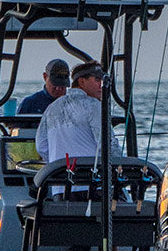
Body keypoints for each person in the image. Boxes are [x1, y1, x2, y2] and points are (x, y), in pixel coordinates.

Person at [36, 60, 122, 198]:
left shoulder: (51, 109)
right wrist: (123, 168)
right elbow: (108, 146)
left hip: (60, 190)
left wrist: (60, 169)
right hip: (94, 189)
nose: (102, 85)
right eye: (97, 80)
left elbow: (41, 147)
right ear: (81, 82)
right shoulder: (94, 106)